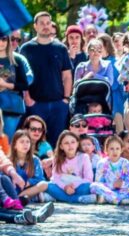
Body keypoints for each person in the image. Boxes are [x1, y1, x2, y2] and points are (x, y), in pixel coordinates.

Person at [20, 12, 72, 147]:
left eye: (48, 23)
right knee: (35, 144)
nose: (45, 26)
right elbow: (22, 76)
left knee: (57, 144)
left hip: (58, 104)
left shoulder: (60, 48)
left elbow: (67, 76)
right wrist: (28, 99)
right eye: (42, 23)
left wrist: (66, 99)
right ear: (35, 26)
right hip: (35, 104)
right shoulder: (27, 49)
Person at [46, 131, 96, 204]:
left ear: (77, 144)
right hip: (63, 187)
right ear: (61, 146)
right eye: (66, 143)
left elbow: (89, 179)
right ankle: (77, 199)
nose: (70, 145)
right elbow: (55, 178)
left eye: (73, 142)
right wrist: (65, 187)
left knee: (87, 187)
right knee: (49, 186)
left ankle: (58, 197)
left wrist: (73, 185)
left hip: (78, 187)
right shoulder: (57, 158)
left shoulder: (84, 157)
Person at [90, 135, 129, 205]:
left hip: (122, 189)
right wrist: (112, 185)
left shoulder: (125, 162)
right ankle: (120, 199)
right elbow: (98, 181)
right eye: (112, 149)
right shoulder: (101, 163)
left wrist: (122, 184)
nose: (115, 151)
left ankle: (109, 199)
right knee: (93, 186)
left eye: (117, 149)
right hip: (108, 189)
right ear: (106, 150)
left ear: (121, 150)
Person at [0, 33, 29, 141]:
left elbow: (24, 85)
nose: (1, 42)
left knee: (6, 142)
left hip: (11, 108)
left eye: (4, 39)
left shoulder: (17, 59)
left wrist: (5, 84)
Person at [9, 130, 49, 201]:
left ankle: (19, 198)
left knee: (44, 184)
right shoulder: (8, 160)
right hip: (13, 188)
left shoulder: (35, 159)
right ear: (15, 145)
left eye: (28, 142)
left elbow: (40, 178)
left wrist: (29, 182)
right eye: (22, 142)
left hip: (28, 188)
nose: (25, 144)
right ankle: (23, 199)